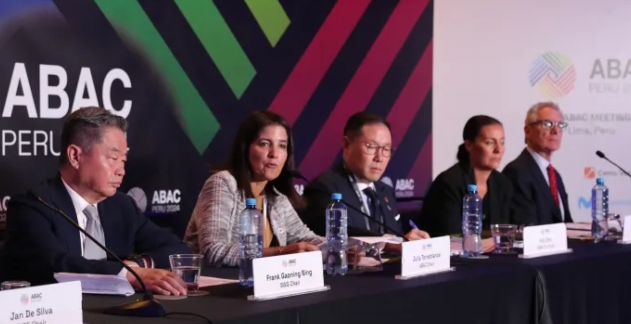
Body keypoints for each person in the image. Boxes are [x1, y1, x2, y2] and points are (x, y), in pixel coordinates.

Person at [4, 107, 192, 296]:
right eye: (113, 158)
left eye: (123, 160)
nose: (121, 171)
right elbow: (54, 264)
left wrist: (140, 265)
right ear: (75, 156)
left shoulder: (122, 206)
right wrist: (128, 274)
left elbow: (178, 250)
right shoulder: (33, 206)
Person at [185, 111, 323, 267]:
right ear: (245, 148)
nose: (274, 154)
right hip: (215, 286)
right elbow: (213, 252)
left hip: (263, 286)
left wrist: (345, 249)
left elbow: (307, 239)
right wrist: (282, 252)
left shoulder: (275, 198)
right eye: (264, 144)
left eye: (282, 146)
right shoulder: (222, 184)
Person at [303, 112, 430, 241]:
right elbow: (340, 236)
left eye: (386, 149)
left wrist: (407, 242)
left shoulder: (385, 192)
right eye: (371, 147)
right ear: (347, 145)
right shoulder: (324, 189)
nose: (379, 158)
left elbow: (397, 238)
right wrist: (391, 242)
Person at [417, 115, 522, 237]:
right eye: (490, 143)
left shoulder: (503, 183)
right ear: (469, 145)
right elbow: (452, 236)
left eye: (502, 142)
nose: (498, 149)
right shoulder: (450, 182)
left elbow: (505, 232)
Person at [502, 102, 573, 225]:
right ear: (528, 131)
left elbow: (565, 222)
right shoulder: (516, 172)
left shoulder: (554, 175)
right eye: (548, 124)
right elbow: (524, 225)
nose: (555, 130)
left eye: (560, 125)